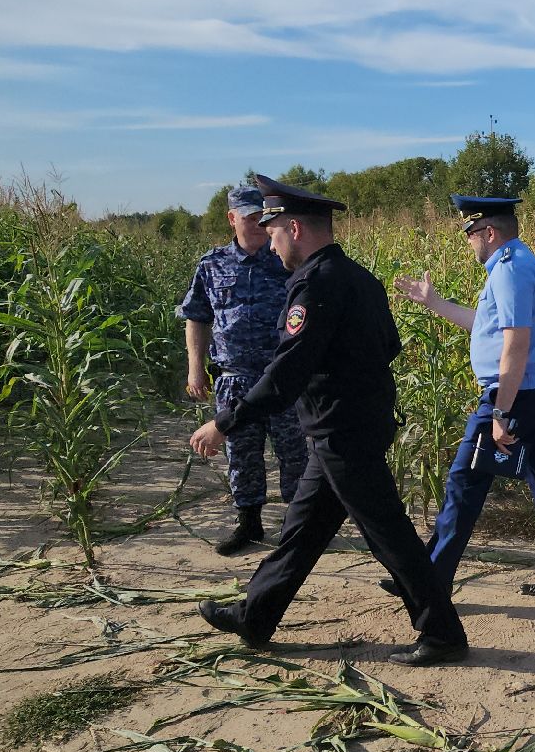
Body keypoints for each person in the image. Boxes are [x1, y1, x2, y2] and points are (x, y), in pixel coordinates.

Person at [189, 175, 467, 666]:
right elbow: (388, 347)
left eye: (273, 233)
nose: (271, 246)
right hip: (345, 426)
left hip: (342, 432)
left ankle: (442, 633)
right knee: (302, 529)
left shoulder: (316, 284)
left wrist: (225, 422)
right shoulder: (359, 277)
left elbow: (287, 371)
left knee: (389, 535)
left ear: (294, 228)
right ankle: (255, 616)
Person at [392, 195, 535, 597]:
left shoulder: (510, 271)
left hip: (512, 394)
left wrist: (500, 410)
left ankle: (429, 580)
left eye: (470, 233)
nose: (469, 241)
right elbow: (486, 327)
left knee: (463, 484)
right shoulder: (512, 265)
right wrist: (433, 302)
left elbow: (516, 344)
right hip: (529, 390)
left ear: (489, 232)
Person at [179, 183, 308, 556]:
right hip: (233, 376)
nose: (258, 223)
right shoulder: (212, 264)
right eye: (250, 217)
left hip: (281, 376)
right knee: (241, 452)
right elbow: (197, 317)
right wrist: (195, 368)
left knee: (294, 451)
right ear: (232, 218)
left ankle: (295, 525)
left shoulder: (285, 259)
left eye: (264, 217)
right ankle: (249, 524)